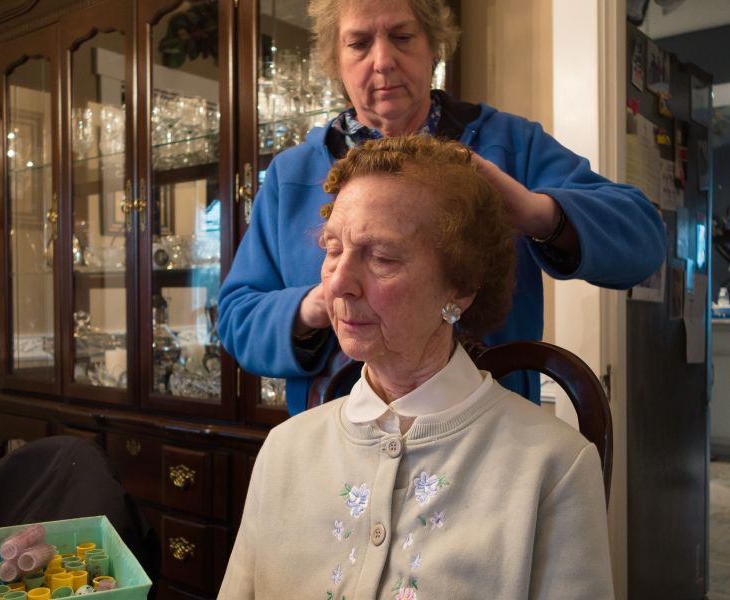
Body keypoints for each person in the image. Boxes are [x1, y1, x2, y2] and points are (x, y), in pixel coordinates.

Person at [217, 0, 665, 415]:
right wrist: (321, 303)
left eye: (403, 37)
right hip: (340, 444)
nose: (383, 60)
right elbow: (238, 318)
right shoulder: (290, 174)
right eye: (358, 43)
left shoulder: (509, 146)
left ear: (434, 45)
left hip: (487, 436)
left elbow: (643, 241)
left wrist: (535, 213)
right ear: (335, 60)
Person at [218, 136, 614, 599]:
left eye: (381, 257)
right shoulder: (284, 451)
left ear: (460, 287)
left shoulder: (554, 467)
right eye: (331, 249)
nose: (337, 284)